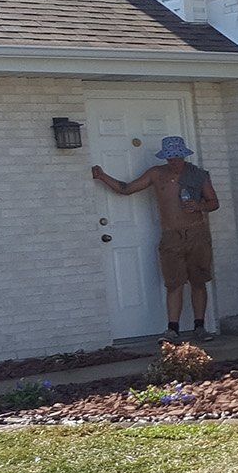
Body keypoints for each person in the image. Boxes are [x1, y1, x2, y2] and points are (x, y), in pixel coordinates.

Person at [91, 136, 219, 341]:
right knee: (174, 282)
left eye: (177, 157)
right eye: (170, 158)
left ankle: (200, 326)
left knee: (198, 280)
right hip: (171, 235)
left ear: (184, 155)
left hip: (197, 233)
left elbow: (214, 202)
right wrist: (102, 176)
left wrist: (199, 206)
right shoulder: (156, 174)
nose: (174, 161)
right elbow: (126, 189)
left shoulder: (198, 175)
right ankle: (172, 329)